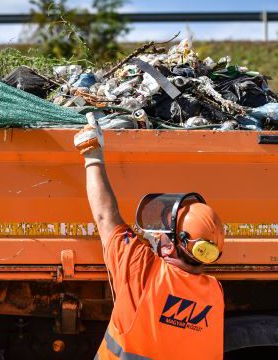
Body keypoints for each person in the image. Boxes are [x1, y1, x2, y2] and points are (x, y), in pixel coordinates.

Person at [74, 114, 225, 360]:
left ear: (171, 248)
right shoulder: (214, 295)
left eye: (164, 232)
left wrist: (92, 155)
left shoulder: (143, 271)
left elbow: (105, 217)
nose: (156, 234)